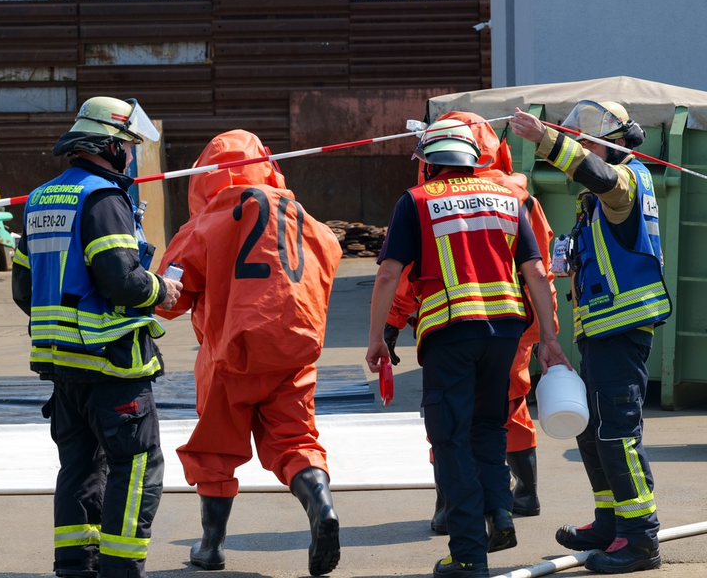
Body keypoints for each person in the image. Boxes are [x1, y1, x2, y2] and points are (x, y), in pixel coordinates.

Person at [366, 119, 569, 578]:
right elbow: (536, 273)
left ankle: (467, 554)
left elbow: (387, 275)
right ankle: (499, 516)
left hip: (450, 336)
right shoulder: (507, 198)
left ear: (430, 163)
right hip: (504, 335)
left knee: (450, 438)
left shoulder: (416, 201)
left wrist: (378, 337)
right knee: (488, 429)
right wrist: (550, 340)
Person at [154, 129, 343, 576]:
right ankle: (321, 507)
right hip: (292, 353)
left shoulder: (206, 221)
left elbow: (170, 299)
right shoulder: (303, 217)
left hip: (229, 355)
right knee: (296, 441)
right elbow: (331, 255)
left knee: (215, 450)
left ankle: (211, 546)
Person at [12, 96, 182, 578]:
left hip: (62, 367)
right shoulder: (104, 198)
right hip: (113, 365)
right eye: (127, 146)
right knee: (135, 468)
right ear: (109, 146)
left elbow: (24, 289)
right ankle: (120, 570)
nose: (129, 156)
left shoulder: (41, 197)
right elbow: (122, 281)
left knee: (79, 468)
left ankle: (74, 566)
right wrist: (162, 290)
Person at [510, 101, 671, 574]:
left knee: (618, 433)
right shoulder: (599, 203)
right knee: (594, 432)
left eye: (590, 142)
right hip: (601, 332)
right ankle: (611, 521)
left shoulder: (626, 181)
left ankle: (640, 539)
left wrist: (546, 140)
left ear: (617, 143)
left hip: (623, 330)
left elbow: (599, 175)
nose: (583, 148)